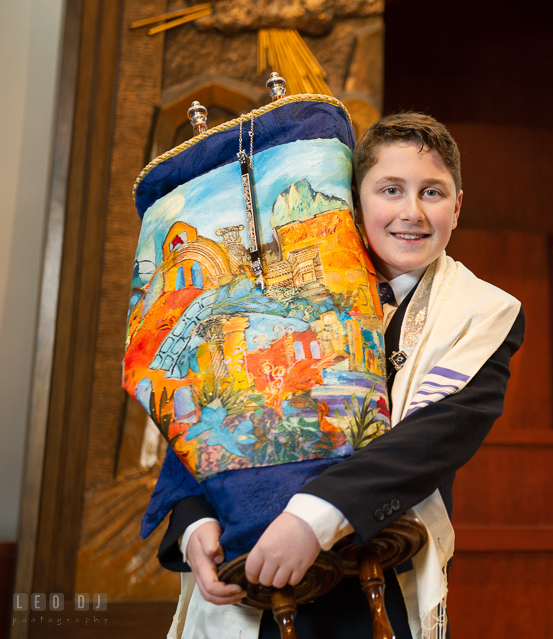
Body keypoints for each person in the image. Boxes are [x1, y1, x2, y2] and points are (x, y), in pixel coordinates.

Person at [152, 112, 525, 639]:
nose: (411, 212)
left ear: (458, 206)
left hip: (374, 572)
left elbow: (432, 440)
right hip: (245, 574)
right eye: (391, 190)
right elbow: (208, 403)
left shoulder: (484, 313)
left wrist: (311, 518)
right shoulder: (274, 286)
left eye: (433, 193)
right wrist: (193, 523)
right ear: (356, 200)